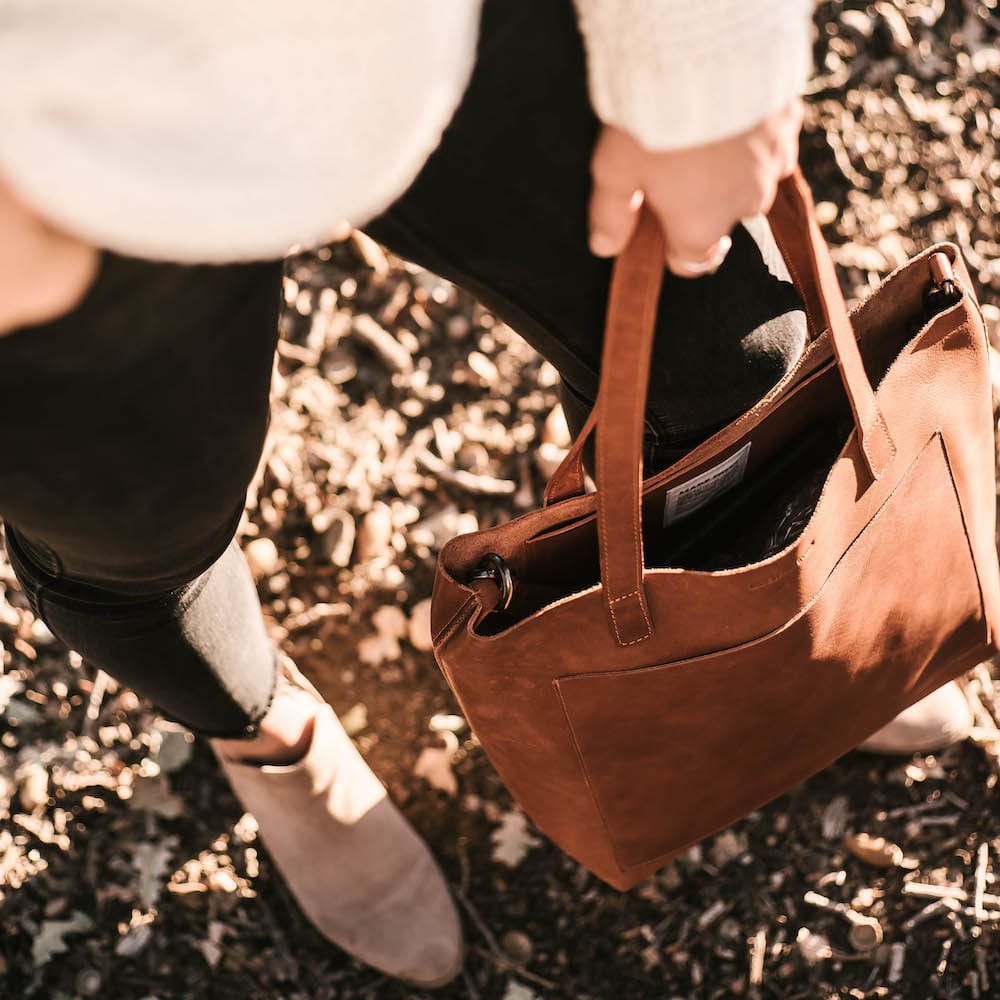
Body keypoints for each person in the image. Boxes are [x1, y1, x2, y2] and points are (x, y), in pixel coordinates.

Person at [0, 0, 975, 987]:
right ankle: (267, 737)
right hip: (60, 164)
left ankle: (761, 614)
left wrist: (707, 51)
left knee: (722, 357)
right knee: (137, 529)